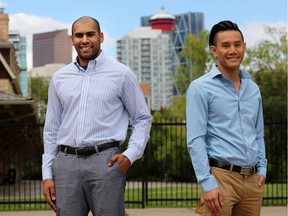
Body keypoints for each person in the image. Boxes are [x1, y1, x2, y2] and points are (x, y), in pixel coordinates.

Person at [42, 16, 152, 216]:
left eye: (90, 34)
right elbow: (51, 129)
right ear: (72, 40)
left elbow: (143, 118)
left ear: (101, 37)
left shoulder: (122, 74)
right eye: (79, 35)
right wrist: (47, 174)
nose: (85, 40)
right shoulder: (59, 78)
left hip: (106, 162)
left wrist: (131, 154)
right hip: (65, 164)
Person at [186, 20, 267, 216]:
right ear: (214, 50)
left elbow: (258, 134)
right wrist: (207, 183)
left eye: (237, 44)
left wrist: (262, 169)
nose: (233, 50)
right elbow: (195, 140)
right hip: (221, 178)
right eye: (225, 45)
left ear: (244, 47)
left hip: (252, 180)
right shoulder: (200, 88)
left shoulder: (253, 89)